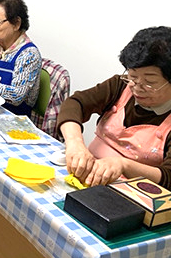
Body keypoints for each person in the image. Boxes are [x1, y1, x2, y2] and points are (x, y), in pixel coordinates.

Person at [58, 26, 171, 189]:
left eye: (150, 82)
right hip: (90, 178)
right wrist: (75, 143)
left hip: (134, 195)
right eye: (132, 76)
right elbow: (75, 103)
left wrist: (124, 165)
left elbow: (168, 177)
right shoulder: (120, 86)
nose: (137, 87)